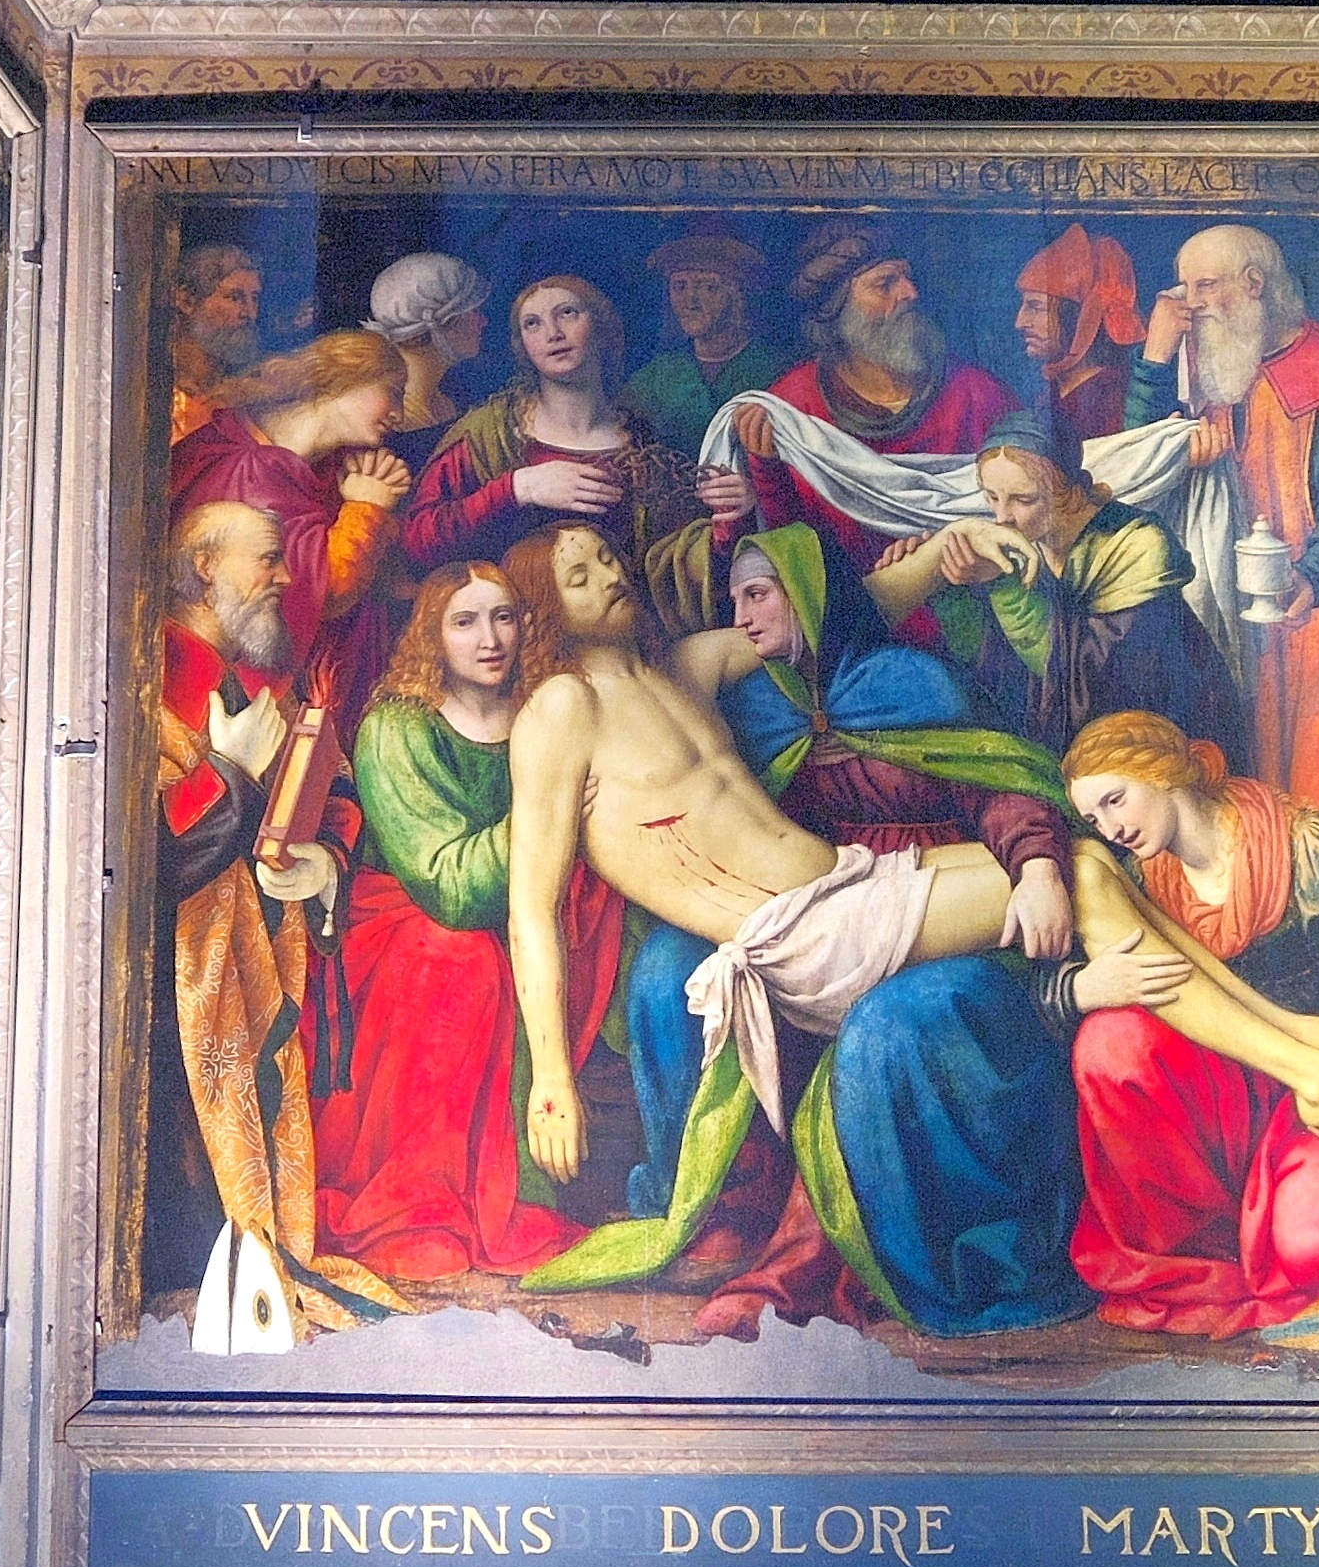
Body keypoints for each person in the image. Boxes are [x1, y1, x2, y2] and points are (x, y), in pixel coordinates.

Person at [498, 525, 1319, 1253]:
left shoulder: (682, 667)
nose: (610, 575)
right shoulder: (558, 711)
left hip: (848, 888)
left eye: (607, 558)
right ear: (548, 604)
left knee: (1088, 867)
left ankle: (1312, 1038)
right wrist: (549, 1077)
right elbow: (530, 908)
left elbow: (837, 602)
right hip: (794, 939)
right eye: (579, 575)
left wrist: (940, 567)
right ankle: (1312, 1074)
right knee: (1079, 875)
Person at [628, 525, 1098, 1336]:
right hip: (810, 924)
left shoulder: (911, 684)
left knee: (894, 1023)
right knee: (667, 969)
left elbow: (1001, 789)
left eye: (759, 592)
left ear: (810, 593)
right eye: (732, 597)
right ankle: (719, 1215)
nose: (740, 614)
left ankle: (937, 1257)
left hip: (940, 924)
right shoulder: (745, 709)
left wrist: (1036, 866)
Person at [1060, 713, 1319, 1335]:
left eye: (1115, 800)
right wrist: (1076, 988)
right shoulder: (1138, 881)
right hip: (1256, 1095)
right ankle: (1209, 1251)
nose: (1111, 828)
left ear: (1165, 771)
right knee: (1110, 1044)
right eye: (1094, 819)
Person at [306, 560, 623, 1279]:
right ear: (431, 634)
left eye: (504, 616)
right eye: (465, 621)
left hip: (519, 911)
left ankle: (521, 1191)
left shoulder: (544, 712)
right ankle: (418, 1201)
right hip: (399, 925)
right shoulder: (397, 727)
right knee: (460, 956)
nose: (490, 639)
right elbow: (445, 887)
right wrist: (547, 815)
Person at [145, 499, 375, 1327]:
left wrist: (324, 861)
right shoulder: (143, 677)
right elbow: (143, 857)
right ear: (205, 568)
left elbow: (336, 793)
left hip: (256, 968)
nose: (284, 579)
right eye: (268, 561)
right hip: (164, 995)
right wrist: (232, 776)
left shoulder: (258, 682)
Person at [1128, 224, 1319, 815]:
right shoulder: (1217, 356)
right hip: (1225, 609)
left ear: (1254, 284)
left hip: (1312, 612)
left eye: (1205, 285)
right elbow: (1134, 462)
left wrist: (1306, 578)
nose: (1190, 303)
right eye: (1183, 287)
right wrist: (1155, 360)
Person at [866, 417, 1244, 769]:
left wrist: (1005, 586)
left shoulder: (1137, 546)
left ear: (1067, 491)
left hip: (1163, 749)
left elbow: (1091, 689)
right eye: (991, 497)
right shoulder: (1019, 542)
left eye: (1023, 499)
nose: (1002, 517)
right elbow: (1000, 680)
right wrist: (947, 583)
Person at [696, 218, 1019, 588]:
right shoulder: (792, 407)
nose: (910, 293)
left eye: (907, 278)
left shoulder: (979, 395)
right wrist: (759, 478)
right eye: (885, 284)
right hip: (842, 614)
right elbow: (782, 552)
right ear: (839, 310)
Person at [394, 273, 707, 616]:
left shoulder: (642, 438)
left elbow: (671, 562)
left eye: (568, 313)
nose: (553, 334)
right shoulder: (492, 434)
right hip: (512, 634)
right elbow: (417, 541)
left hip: (618, 631)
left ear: (601, 326)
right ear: (522, 345)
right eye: (532, 323)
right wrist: (517, 488)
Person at [157, 329, 413, 716]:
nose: (399, 413)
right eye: (392, 391)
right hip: (209, 684)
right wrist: (368, 507)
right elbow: (324, 589)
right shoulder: (255, 471)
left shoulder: (316, 465)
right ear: (342, 380)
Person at [623, 220, 793, 447]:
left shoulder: (775, 370)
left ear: (737, 296)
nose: (690, 301)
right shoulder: (656, 377)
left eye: (707, 287)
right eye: (679, 287)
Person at [1012, 223, 1142, 454]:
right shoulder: (1051, 394)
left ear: (1079, 317)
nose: (1020, 323)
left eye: (1036, 307)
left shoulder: (1112, 398)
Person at [367, 249, 492, 436]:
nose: (484, 322)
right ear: (443, 324)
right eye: (473, 312)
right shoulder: (391, 417)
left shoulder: (444, 405)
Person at [165, 240, 264, 412]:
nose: (250, 313)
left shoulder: (250, 392)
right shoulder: (158, 391)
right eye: (234, 297)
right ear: (186, 300)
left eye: (254, 298)